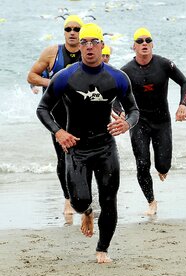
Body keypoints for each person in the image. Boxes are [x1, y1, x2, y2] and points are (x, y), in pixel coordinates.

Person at [36, 23, 139, 263]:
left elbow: (133, 109)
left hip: (105, 147)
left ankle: (102, 249)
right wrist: (58, 132)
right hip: (77, 149)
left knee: (109, 199)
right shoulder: (65, 77)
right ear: (79, 46)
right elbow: (43, 109)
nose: (89, 47)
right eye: (85, 42)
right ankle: (88, 213)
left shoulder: (117, 77)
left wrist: (127, 124)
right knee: (80, 201)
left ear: (102, 46)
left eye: (94, 42)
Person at [120, 27, 186, 216]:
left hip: (162, 121)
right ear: (134, 46)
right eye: (140, 41)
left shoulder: (165, 64)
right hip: (138, 122)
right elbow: (115, 95)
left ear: (152, 45)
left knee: (163, 166)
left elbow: (185, 83)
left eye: (147, 40)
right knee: (142, 163)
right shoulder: (126, 71)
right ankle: (151, 202)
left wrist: (182, 105)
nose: (144, 44)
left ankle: (162, 168)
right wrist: (118, 112)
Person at [27, 15, 84, 216]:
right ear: (64, 32)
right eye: (68, 29)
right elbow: (31, 76)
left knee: (84, 155)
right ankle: (68, 198)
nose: (72, 32)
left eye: (76, 29)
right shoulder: (52, 52)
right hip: (57, 114)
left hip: (82, 114)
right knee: (63, 157)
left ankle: (84, 194)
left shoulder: (88, 52)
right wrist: (50, 83)